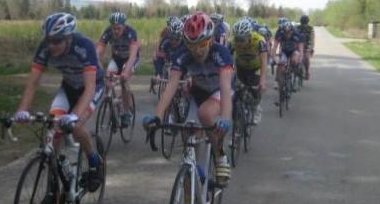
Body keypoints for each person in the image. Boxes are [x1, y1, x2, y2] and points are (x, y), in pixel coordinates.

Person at [14, 12, 105, 197]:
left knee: (76, 127)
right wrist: (22, 110)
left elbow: (89, 88)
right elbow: (33, 83)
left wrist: (75, 115)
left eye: (57, 41)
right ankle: (57, 174)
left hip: (92, 87)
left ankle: (95, 162)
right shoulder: (45, 48)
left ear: (68, 38)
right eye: (48, 40)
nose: (51, 45)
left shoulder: (84, 46)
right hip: (69, 86)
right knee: (54, 127)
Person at [143, 12, 234, 187]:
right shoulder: (182, 54)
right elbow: (170, 87)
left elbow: (225, 88)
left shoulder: (220, 53)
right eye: (192, 45)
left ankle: (220, 155)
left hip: (219, 91)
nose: (197, 50)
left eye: (202, 44)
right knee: (188, 136)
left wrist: (225, 118)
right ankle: (194, 180)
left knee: (205, 113)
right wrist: (158, 116)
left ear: (210, 40)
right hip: (198, 91)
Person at [96, 12, 140, 127]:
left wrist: (126, 71)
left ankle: (126, 112)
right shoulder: (108, 32)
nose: (115, 31)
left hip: (130, 59)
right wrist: (95, 63)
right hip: (117, 58)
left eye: (118, 28)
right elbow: (99, 49)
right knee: (107, 78)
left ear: (124, 26)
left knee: (123, 80)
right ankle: (112, 102)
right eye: (113, 28)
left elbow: (133, 54)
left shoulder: (131, 32)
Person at [231, 18, 268, 124]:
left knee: (255, 90)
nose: (239, 43)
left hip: (256, 68)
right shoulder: (232, 42)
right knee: (235, 94)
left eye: (242, 40)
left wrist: (262, 81)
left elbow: (264, 63)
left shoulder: (259, 41)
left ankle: (256, 108)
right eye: (237, 39)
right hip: (241, 67)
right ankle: (237, 126)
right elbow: (226, 61)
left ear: (249, 36)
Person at [271, 17, 303, 91]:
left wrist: (300, 58)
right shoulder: (279, 33)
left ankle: (295, 79)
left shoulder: (296, 33)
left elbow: (300, 48)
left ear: (291, 30)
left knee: (295, 61)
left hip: (294, 50)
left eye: (288, 33)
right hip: (284, 51)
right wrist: (274, 58)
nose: (287, 34)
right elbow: (275, 47)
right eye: (285, 32)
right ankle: (278, 81)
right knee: (280, 63)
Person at [297, 15, 315, 80]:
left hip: (307, 45)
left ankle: (307, 72)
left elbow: (312, 39)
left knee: (306, 58)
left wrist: (311, 48)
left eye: (305, 22)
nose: (304, 24)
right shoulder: (297, 27)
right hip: (298, 44)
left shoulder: (310, 28)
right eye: (303, 22)